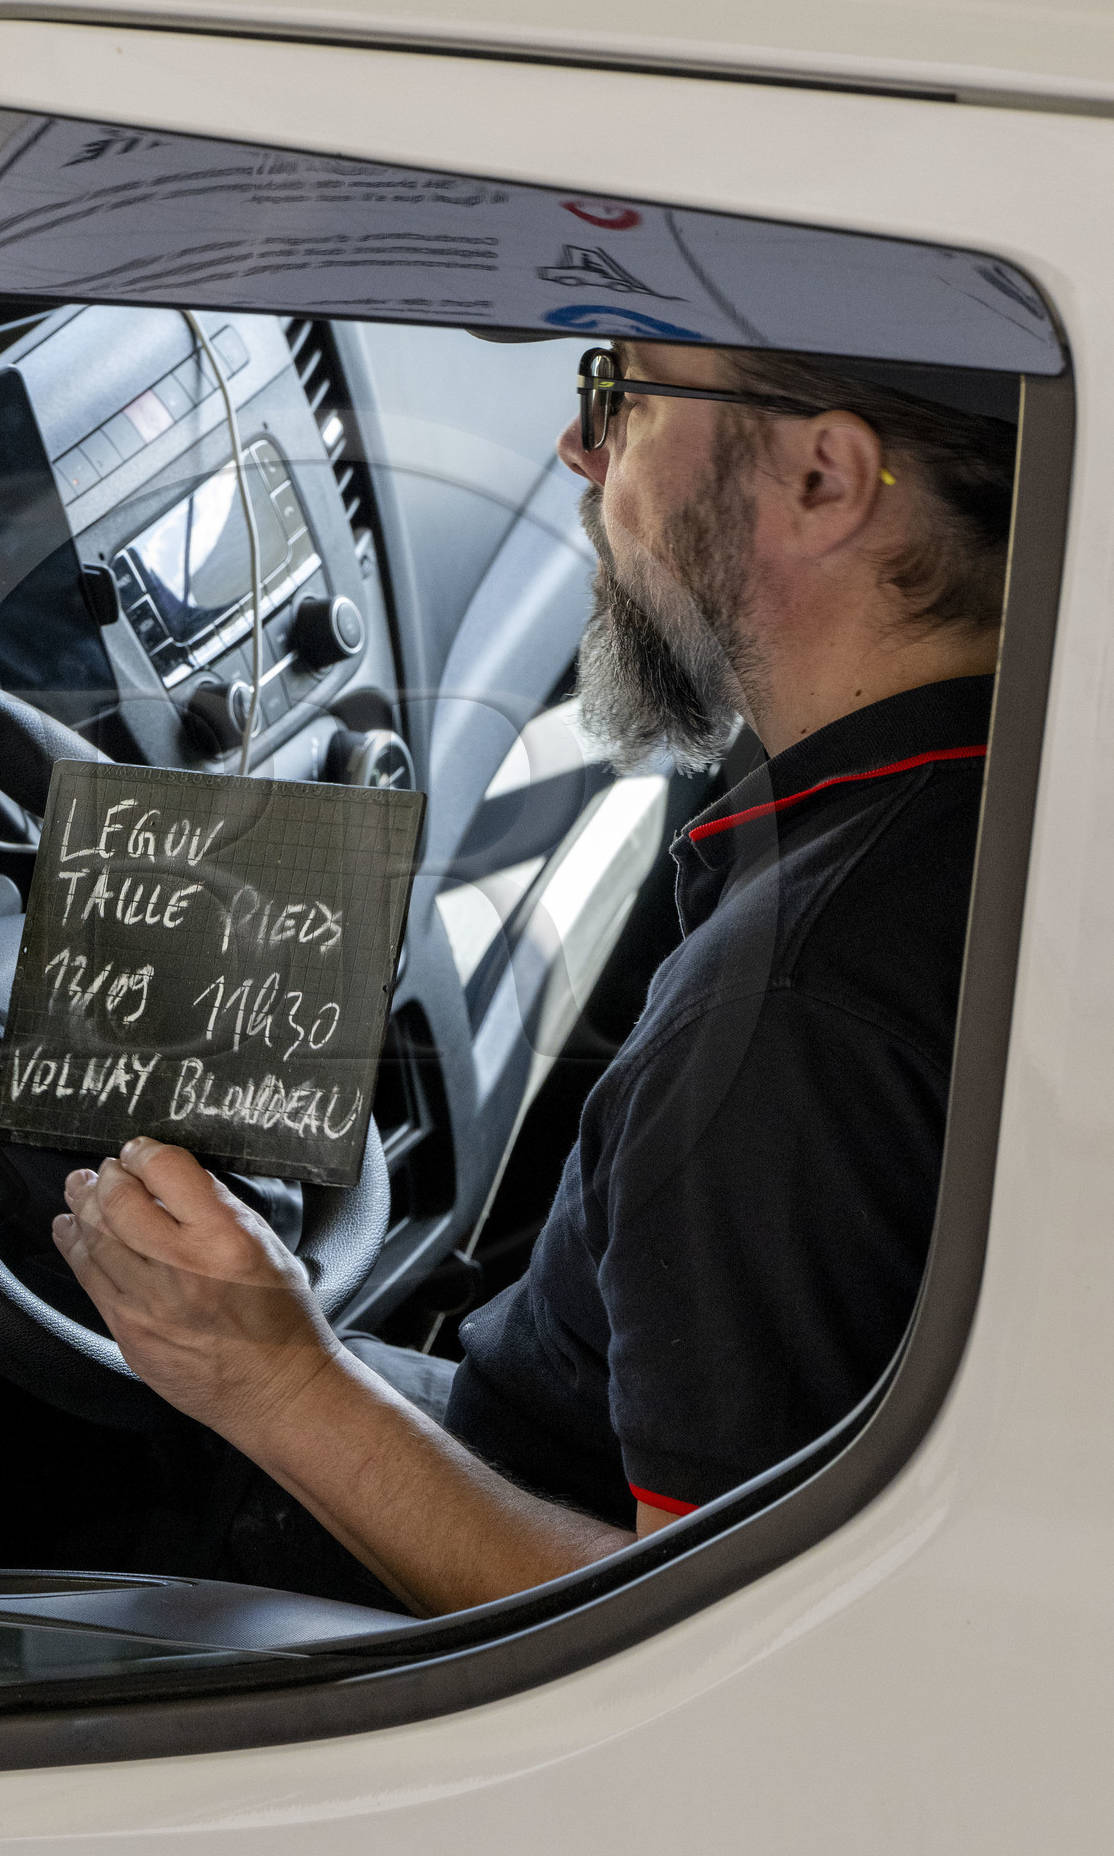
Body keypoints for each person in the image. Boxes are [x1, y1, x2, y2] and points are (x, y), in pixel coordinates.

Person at [51, 338, 1018, 1617]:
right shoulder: (991, 796)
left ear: (824, 480)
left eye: (624, 390)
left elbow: (709, 1653)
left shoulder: (790, 1023)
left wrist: (278, 1383)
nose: (580, 445)